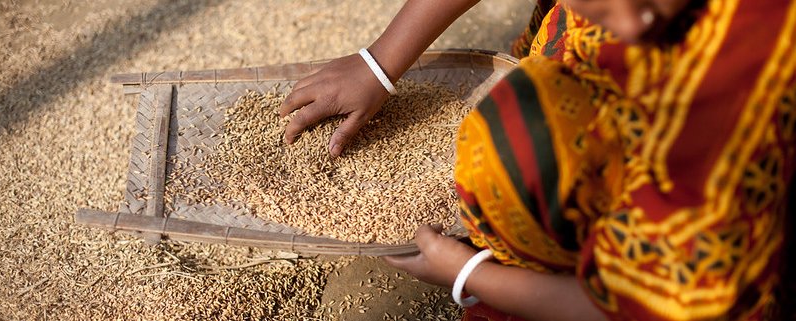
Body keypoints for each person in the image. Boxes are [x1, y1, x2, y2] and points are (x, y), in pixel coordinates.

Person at [280, 0, 796, 320]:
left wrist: (472, 274)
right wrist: (380, 63)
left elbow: (658, 310)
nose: (635, 20)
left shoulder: (728, 96)